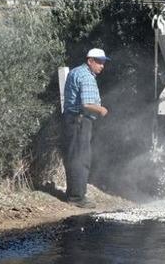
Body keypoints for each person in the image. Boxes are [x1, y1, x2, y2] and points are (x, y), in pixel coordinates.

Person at [62, 48, 110, 208]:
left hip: (72, 119)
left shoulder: (76, 72)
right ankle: (77, 198)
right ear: (90, 61)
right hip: (80, 120)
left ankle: (73, 193)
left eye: (103, 62)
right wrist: (102, 110)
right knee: (81, 158)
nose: (102, 65)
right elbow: (87, 104)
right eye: (99, 61)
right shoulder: (87, 77)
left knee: (73, 156)